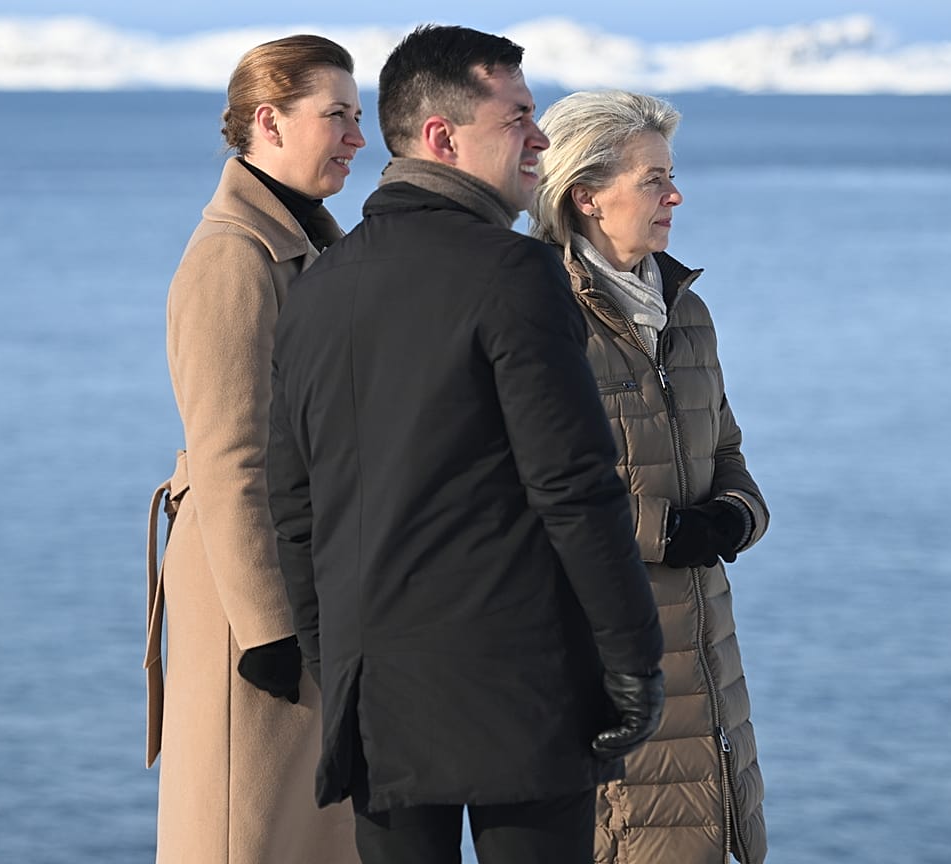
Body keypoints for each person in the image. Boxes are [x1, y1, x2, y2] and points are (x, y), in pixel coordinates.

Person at [265, 25, 666, 864]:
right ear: (444, 138)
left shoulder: (318, 286)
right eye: (518, 116)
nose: (542, 138)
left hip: (376, 694)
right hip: (517, 691)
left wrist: (331, 661)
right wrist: (633, 660)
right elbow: (574, 485)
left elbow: (295, 504)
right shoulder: (516, 273)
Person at [529, 89, 771, 864]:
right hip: (609, 655)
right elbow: (522, 487)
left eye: (672, 175)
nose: (675, 195)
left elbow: (727, 449)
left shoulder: (685, 309)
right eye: (654, 178)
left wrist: (737, 515)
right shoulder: (539, 313)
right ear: (585, 194)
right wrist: (665, 530)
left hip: (707, 652)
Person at [147, 34, 365, 864]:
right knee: (244, 831)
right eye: (337, 116)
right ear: (268, 122)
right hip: (255, 604)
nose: (357, 137)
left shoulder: (310, 243)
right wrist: (269, 631)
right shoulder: (235, 257)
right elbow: (232, 458)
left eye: (359, 115)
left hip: (308, 585)